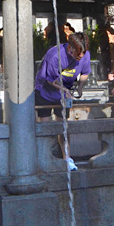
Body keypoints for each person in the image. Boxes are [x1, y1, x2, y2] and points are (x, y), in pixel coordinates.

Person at [35, 32, 90, 170]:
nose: (79, 58)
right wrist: (64, 90)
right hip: (45, 92)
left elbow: (85, 72)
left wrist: (80, 87)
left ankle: (67, 158)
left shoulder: (85, 55)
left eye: (82, 55)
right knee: (46, 127)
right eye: (77, 55)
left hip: (64, 95)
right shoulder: (54, 55)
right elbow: (49, 79)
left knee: (63, 127)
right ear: (70, 48)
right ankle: (46, 157)